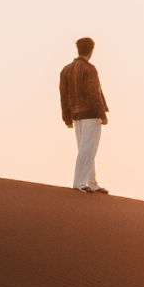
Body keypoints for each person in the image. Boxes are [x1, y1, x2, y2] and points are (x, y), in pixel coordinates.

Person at [59, 37, 111, 193]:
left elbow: (63, 95)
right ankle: (80, 183)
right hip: (90, 114)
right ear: (91, 50)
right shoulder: (89, 69)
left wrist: (66, 117)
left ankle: (91, 182)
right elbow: (95, 93)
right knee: (88, 148)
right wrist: (102, 114)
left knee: (85, 148)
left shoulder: (66, 69)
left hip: (76, 115)